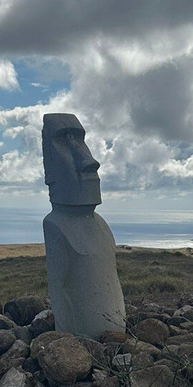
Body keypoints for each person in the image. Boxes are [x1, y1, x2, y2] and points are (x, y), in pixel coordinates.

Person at [42, 114, 126, 338]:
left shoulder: (100, 224)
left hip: (115, 341)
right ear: (49, 167)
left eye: (80, 140)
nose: (90, 161)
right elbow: (61, 292)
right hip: (80, 349)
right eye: (64, 141)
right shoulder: (55, 224)